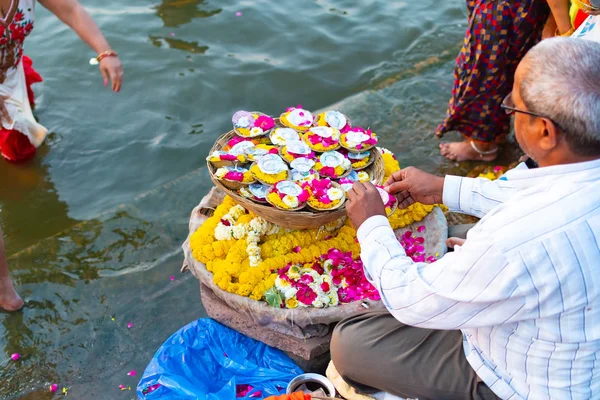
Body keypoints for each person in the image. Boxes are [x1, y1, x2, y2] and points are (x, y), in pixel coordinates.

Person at [336, 37, 600, 399]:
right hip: (574, 341)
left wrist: (371, 224)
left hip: (523, 384)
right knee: (458, 232)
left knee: (350, 344)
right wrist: (445, 188)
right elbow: (541, 200)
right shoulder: (577, 177)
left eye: (514, 107)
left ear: (544, 131)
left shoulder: (518, 239)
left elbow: (410, 298)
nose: (510, 115)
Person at [0, 0, 122, 312]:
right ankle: (5, 290)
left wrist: (105, 52)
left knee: (22, 159)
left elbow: (70, 10)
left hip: (10, 83)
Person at [0, 0, 123, 162]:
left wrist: (105, 52)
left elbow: (71, 11)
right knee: (19, 159)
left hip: (13, 73)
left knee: (28, 131)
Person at [436, 0, 549, 162]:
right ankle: (497, 132)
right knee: (510, 63)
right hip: (518, 9)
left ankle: (483, 145)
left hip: (503, 9)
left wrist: (563, 27)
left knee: (483, 74)